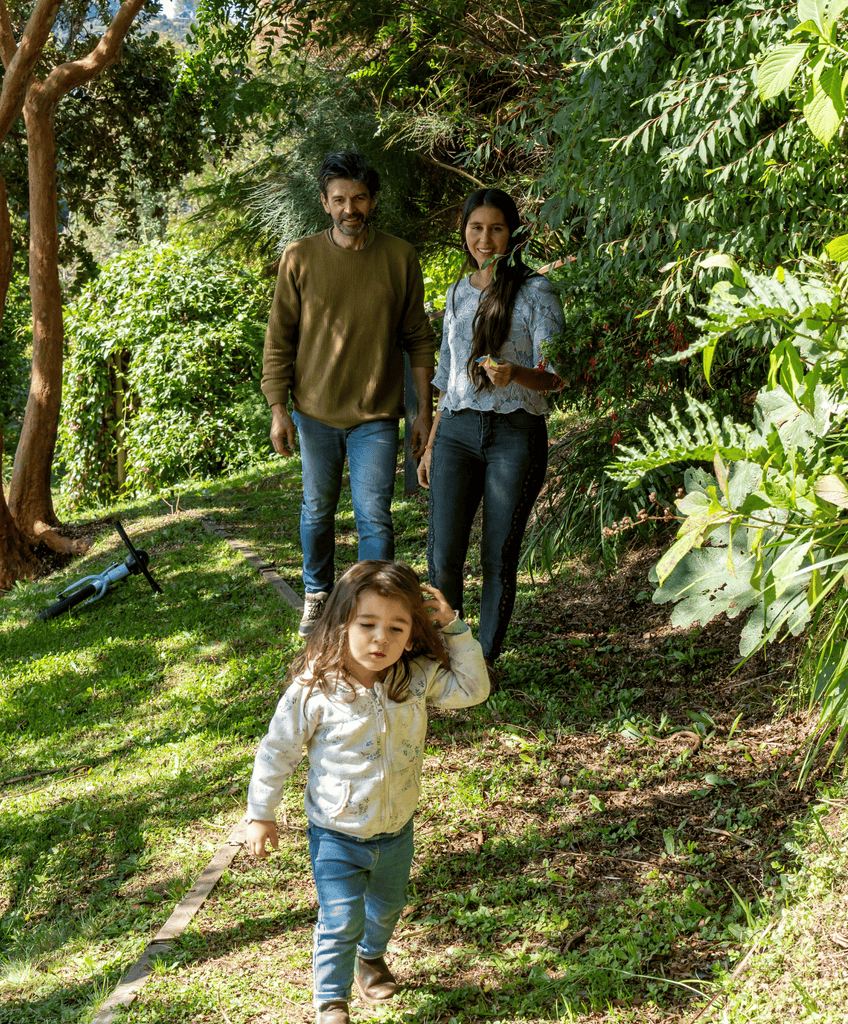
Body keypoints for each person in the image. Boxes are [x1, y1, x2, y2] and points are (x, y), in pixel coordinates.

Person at [244, 561, 490, 1024]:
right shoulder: (314, 689)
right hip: (336, 833)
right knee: (340, 921)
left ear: (412, 632)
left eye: (397, 628)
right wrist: (261, 813)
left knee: (387, 907)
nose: (381, 639)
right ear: (340, 622)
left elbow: (473, 690)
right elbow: (277, 751)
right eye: (368, 624)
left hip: (396, 830)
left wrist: (454, 629)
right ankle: (331, 1003)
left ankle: (371, 957)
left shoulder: (414, 678)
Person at [262, 151, 437, 637]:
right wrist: (280, 411)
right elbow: (279, 340)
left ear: (372, 201)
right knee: (317, 510)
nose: (350, 208)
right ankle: (317, 594)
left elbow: (418, 337)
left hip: (376, 415)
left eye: (359, 198)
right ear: (324, 203)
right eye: (339, 199)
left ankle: (372, 607)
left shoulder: (399, 257)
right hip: (314, 413)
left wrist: (423, 411)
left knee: (374, 518)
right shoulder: (299, 256)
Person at [418, 189, 565, 666]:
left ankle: (483, 663)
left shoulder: (536, 291)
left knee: (497, 558)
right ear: (464, 232)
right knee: (442, 556)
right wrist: (430, 445)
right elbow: (447, 376)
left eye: (496, 228)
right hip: (456, 434)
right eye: (476, 228)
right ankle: (446, 659)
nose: (485, 238)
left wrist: (515, 373)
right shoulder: (458, 293)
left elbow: (557, 374)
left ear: (513, 233)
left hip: (515, 435)